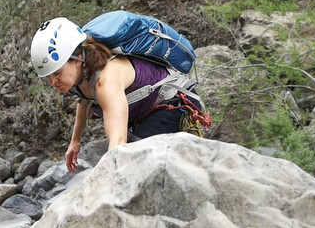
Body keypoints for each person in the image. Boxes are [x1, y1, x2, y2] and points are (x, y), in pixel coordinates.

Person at [29, 16, 209, 172]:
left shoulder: (106, 81)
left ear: (76, 59)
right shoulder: (81, 76)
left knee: (135, 161)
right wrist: (75, 141)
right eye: (48, 77)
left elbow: (118, 141)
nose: (53, 82)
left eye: (57, 73)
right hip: (149, 114)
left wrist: (107, 178)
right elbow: (83, 100)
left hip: (176, 106)